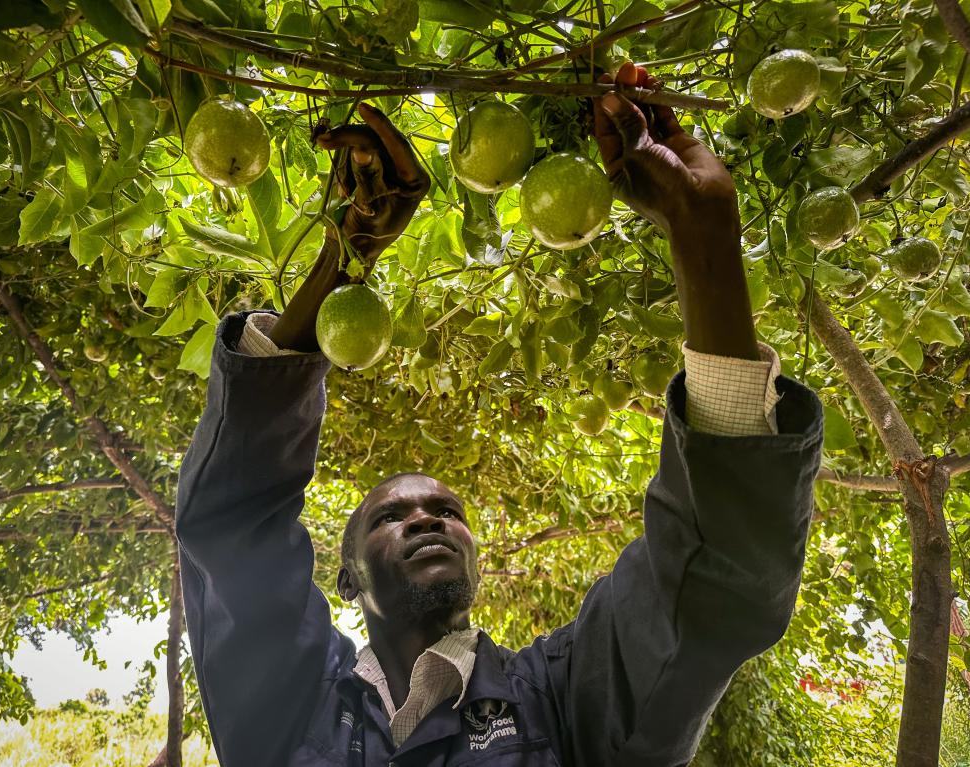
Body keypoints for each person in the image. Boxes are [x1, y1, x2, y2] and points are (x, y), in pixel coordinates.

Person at [175, 63, 824, 767]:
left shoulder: (565, 696)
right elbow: (231, 526)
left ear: (477, 561)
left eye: (446, 510)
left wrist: (704, 234)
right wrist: (344, 256)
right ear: (348, 575)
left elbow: (709, 585)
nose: (427, 517)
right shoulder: (288, 697)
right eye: (389, 516)